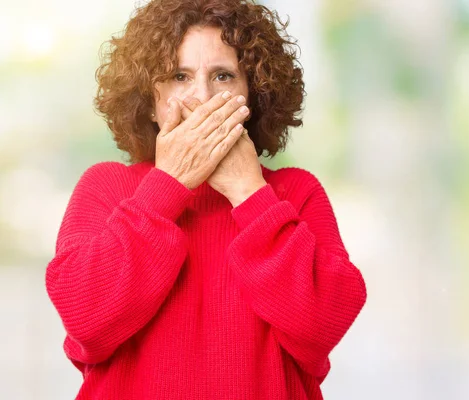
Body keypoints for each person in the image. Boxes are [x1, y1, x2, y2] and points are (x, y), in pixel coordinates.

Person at [45, 0, 367, 399]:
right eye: (180, 76)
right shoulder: (106, 187)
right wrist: (169, 184)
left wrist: (250, 194)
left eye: (223, 76)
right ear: (149, 98)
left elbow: (322, 327)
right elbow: (86, 321)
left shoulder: (295, 193)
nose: (203, 96)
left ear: (253, 95)